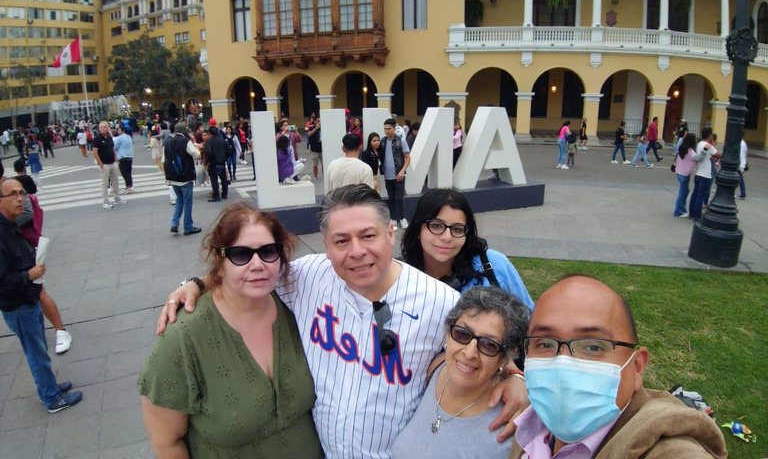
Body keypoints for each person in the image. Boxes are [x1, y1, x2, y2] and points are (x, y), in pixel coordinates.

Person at [157, 184, 528, 459]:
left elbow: (478, 345)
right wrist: (195, 283)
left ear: (389, 234)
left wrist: (513, 376)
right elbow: (253, 272)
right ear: (324, 243)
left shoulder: (439, 300)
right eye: (341, 240)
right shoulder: (308, 276)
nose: (357, 252)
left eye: (368, 236)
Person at [139, 202, 322, 459]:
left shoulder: (295, 303)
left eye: (269, 251)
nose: (257, 264)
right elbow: (166, 442)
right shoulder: (183, 338)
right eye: (240, 254)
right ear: (219, 260)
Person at [508, 275, 727, 459]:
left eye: (593, 346)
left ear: (637, 366)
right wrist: (509, 374)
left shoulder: (668, 450)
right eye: (545, 343)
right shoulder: (533, 414)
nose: (562, 366)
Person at [391, 286, 527, 459]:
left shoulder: (506, 436)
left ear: (504, 357)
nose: (469, 353)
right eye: (462, 334)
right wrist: (515, 374)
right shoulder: (435, 368)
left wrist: (516, 375)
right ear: (448, 334)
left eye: (488, 345)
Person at [0, 178, 83, 413]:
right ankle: (51, 398)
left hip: (27, 299)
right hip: (18, 305)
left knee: (39, 351)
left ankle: (48, 387)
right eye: (13, 195)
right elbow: (2, 282)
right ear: (0, 202)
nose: (20, 199)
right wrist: (28, 274)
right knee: (36, 353)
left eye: (22, 193)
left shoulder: (10, 225)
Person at [401, 188, 533, 308]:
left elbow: (528, 318)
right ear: (418, 229)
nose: (447, 237)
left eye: (457, 229)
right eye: (436, 226)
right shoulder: (402, 281)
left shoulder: (494, 264)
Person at [163, 122, 202, 236]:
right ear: (184, 131)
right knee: (188, 202)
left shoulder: (167, 142)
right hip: (185, 177)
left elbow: (163, 160)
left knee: (179, 200)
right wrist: (194, 143)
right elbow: (196, 154)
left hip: (173, 177)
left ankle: (174, 224)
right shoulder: (186, 141)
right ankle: (188, 227)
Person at [379, 117, 410, 230]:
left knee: (400, 197)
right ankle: (393, 219)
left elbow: (407, 158)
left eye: (389, 128)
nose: (386, 131)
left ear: (394, 128)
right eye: (385, 129)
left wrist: (402, 171)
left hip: (399, 175)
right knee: (391, 198)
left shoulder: (401, 140)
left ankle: (402, 218)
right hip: (388, 175)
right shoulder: (382, 141)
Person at [688, 128, 720, 222]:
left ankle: (691, 213)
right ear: (710, 136)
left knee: (695, 194)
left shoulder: (699, 144)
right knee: (701, 196)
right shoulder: (708, 146)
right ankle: (697, 216)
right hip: (706, 174)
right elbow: (718, 154)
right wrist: (713, 144)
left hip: (699, 173)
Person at [92, 121, 125, 209]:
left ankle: (117, 198)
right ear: (99, 128)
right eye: (102, 127)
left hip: (112, 162)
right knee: (105, 183)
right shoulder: (97, 139)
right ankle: (105, 201)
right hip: (104, 164)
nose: (103, 128)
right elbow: (94, 152)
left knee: (115, 181)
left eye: (105, 127)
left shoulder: (109, 137)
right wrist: (100, 163)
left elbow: (112, 148)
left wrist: (115, 158)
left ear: (108, 128)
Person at [673, 133, 698, 218]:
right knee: (682, 193)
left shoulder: (682, 148)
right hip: (685, 174)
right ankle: (678, 211)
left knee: (685, 191)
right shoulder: (690, 151)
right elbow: (697, 158)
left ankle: (683, 209)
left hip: (679, 172)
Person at [203, 126, 228, 202]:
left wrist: (208, 161)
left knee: (214, 179)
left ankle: (216, 195)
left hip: (213, 163)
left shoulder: (209, 142)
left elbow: (209, 152)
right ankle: (224, 194)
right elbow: (229, 149)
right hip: (222, 162)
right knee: (223, 179)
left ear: (209, 133)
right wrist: (224, 157)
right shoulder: (222, 141)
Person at [114, 126, 134, 194]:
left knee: (124, 173)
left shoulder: (119, 138)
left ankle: (128, 186)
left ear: (122, 131)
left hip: (122, 156)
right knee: (128, 172)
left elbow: (114, 146)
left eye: (119, 130)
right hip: (129, 156)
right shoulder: (129, 137)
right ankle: (130, 185)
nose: (118, 131)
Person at [305, 114, 323, 179]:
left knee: (324, 164)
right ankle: (315, 176)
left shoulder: (323, 127)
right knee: (315, 164)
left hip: (322, 149)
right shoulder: (311, 127)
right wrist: (316, 128)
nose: (319, 122)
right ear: (315, 121)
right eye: (318, 121)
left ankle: (324, 176)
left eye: (320, 121)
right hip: (314, 150)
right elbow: (309, 135)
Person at [738, 132, 748, 200]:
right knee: (740, 179)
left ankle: (743, 193)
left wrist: (741, 167)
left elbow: (741, 156)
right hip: (740, 164)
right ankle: (743, 193)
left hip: (739, 164)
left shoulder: (741, 144)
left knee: (740, 179)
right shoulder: (743, 143)